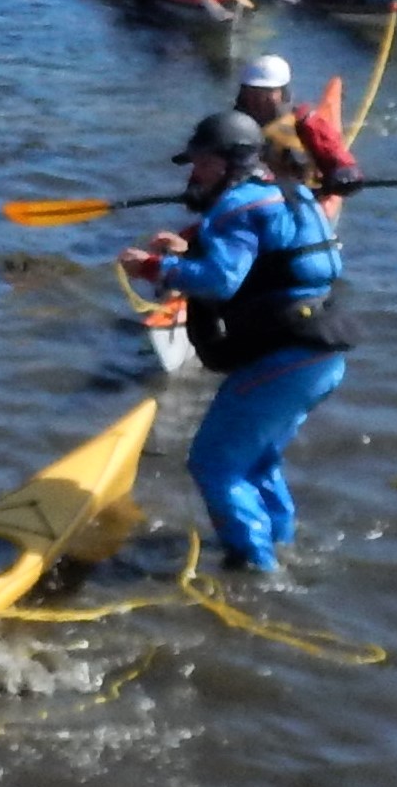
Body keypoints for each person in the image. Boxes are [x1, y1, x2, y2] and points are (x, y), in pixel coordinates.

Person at [122, 112, 352, 574]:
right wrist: (190, 251)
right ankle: (280, 543)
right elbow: (271, 262)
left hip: (287, 357)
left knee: (213, 464)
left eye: (202, 164)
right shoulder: (294, 191)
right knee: (258, 459)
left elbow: (223, 281)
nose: (193, 175)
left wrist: (153, 268)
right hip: (323, 351)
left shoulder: (237, 207)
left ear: (230, 162)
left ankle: (255, 570)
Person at [234, 54, 360, 211]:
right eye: (252, 92)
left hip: (302, 203)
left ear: (283, 93)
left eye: (267, 92)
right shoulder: (232, 125)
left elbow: (339, 158)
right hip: (250, 203)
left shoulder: (306, 123)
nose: (258, 99)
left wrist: (345, 174)